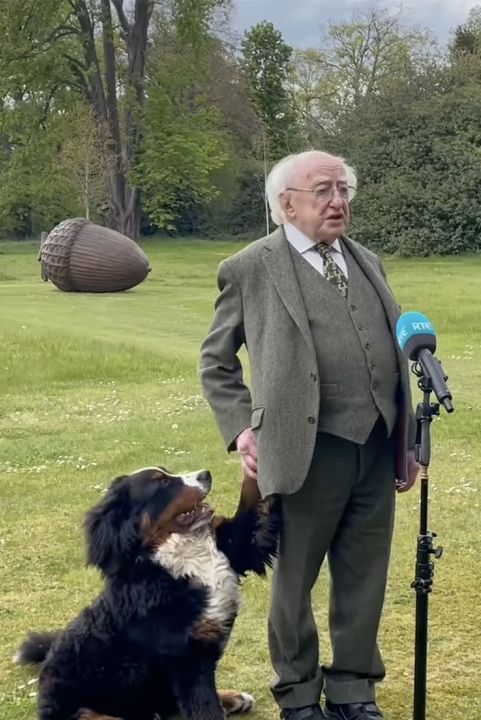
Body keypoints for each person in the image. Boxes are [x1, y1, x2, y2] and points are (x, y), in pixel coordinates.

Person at [199, 150, 420, 720]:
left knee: (364, 575)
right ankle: (297, 694)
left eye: (343, 189)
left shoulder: (366, 260)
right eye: (323, 190)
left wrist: (409, 445)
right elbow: (216, 362)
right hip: (301, 451)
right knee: (293, 583)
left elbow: (398, 357)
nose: (338, 201)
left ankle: (353, 689)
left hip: (375, 444)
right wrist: (241, 427)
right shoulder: (250, 267)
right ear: (286, 204)